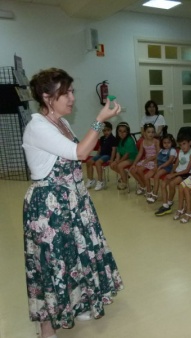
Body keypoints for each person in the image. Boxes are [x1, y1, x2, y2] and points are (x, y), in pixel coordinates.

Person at [22, 68, 124, 338]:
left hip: (74, 201)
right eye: (65, 93)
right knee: (53, 264)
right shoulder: (38, 126)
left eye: (72, 91)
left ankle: (76, 304)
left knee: (77, 257)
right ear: (46, 97)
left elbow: (82, 152)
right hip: (50, 207)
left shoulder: (61, 123)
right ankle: (46, 327)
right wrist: (99, 120)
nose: (72, 98)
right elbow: (79, 152)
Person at [155, 134, 191, 216]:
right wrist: (171, 173)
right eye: (180, 145)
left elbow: (187, 170)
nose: (182, 147)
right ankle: (165, 205)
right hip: (178, 172)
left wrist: (174, 175)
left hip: (186, 174)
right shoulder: (180, 151)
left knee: (172, 183)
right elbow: (176, 164)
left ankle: (169, 202)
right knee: (163, 183)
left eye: (184, 144)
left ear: (190, 143)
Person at [145, 134, 177, 203]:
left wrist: (161, 166)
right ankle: (149, 191)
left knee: (156, 176)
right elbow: (157, 158)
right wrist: (156, 165)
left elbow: (169, 161)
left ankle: (155, 194)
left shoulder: (172, 150)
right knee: (148, 175)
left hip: (167, 167)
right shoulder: (161, 150)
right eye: (164, 143)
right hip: (159, 166)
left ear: (172, 142)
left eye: (168, 142)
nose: (166, 144)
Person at [85, 121, 117, 191]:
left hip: (108, 155)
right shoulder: (102, 138)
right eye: (104, 130)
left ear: (111, 130)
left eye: (108, 130)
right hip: (101, 155)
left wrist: (111, 159)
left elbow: (114, 150)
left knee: (98, 163)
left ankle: (100, 181)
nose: (106, 132)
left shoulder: (113, 139)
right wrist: (96, 156)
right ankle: (91, 179)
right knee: (89, 162)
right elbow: (100, 148)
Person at [129, 123, 159, 195]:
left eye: (152, 132)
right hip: (146, 160)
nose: (151, 134)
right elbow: (140, 153)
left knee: (139, 170)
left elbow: (159, 154)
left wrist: (150, 158)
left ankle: (148, 187)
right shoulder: (143, 142)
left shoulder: (156, 141)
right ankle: (143, 185)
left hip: (154, 161)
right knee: (132, 170)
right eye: (148, 132)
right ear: (144, 133)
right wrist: (134, 163)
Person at [110, 122, 138, 190]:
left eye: (124, 131)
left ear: (127, 132)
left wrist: (119, 162)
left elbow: (127, 154)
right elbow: (118, 152)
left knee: (119, 165)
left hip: (132, 158)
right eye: (120, 131)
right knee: (112, 165)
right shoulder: (119, 139)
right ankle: (125, 174)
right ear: (117, 131)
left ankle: (125, 183)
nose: (122, 133)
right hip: (125, 158)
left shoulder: (129, 140)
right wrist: (116, 160)